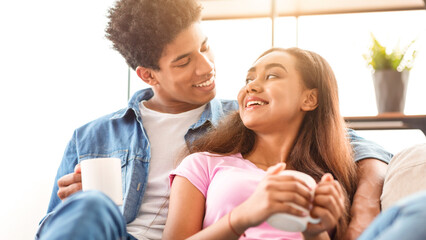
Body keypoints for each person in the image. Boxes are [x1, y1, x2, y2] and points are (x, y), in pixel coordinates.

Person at [35, 0, 391, 239]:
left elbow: (355, 142)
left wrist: (363, 206)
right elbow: (46, 228)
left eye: (204, 47)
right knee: (91, 205)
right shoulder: (91, 137)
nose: (206, 67)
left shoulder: (241, 117)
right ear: (148, 76)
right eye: (184, 61)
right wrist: (78, 208)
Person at [164, 47, 358, 240]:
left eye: (272, 76)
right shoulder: (202, 164)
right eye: (249, 80)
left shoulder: (325, 186)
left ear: (309, 99)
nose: (251, 87)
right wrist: (243, 216)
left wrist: (313, 231)